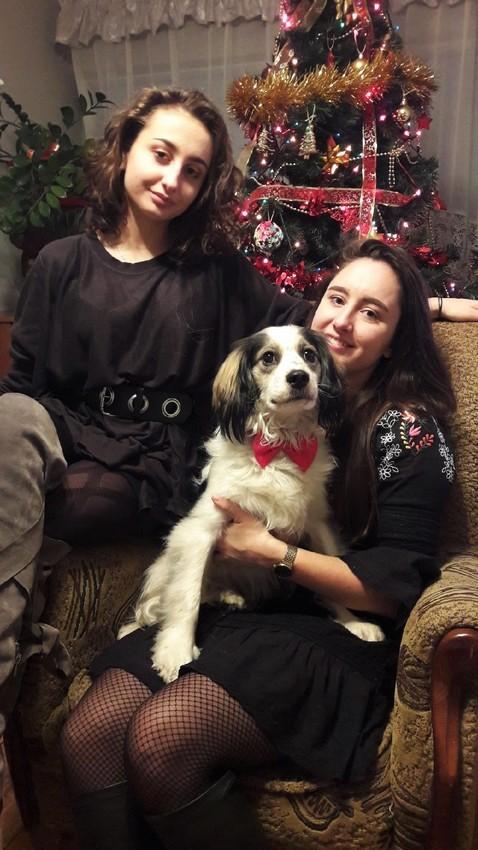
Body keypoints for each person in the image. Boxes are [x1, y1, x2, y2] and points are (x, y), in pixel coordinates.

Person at [60, 237, 458, 850]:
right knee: (88, 734)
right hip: (246, 607)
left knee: (164, 738)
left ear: (394, 339)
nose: (343, 322)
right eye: (336, 299)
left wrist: (273, 552)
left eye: (372, 313)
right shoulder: (271, 405)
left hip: (329, 632)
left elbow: (397, 589)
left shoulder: (408, 429)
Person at [0, 87, 315, 797]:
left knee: (61, 503)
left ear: (206, 185)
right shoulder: (59, 262)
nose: (173, 179)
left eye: (193, 170)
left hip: (150, 465)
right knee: (11, 423)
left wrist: (432, 303)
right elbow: (22, 384)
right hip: (64, 432)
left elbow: (308, 319)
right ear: (124, 152)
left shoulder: (218, 274)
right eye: (161, 154)